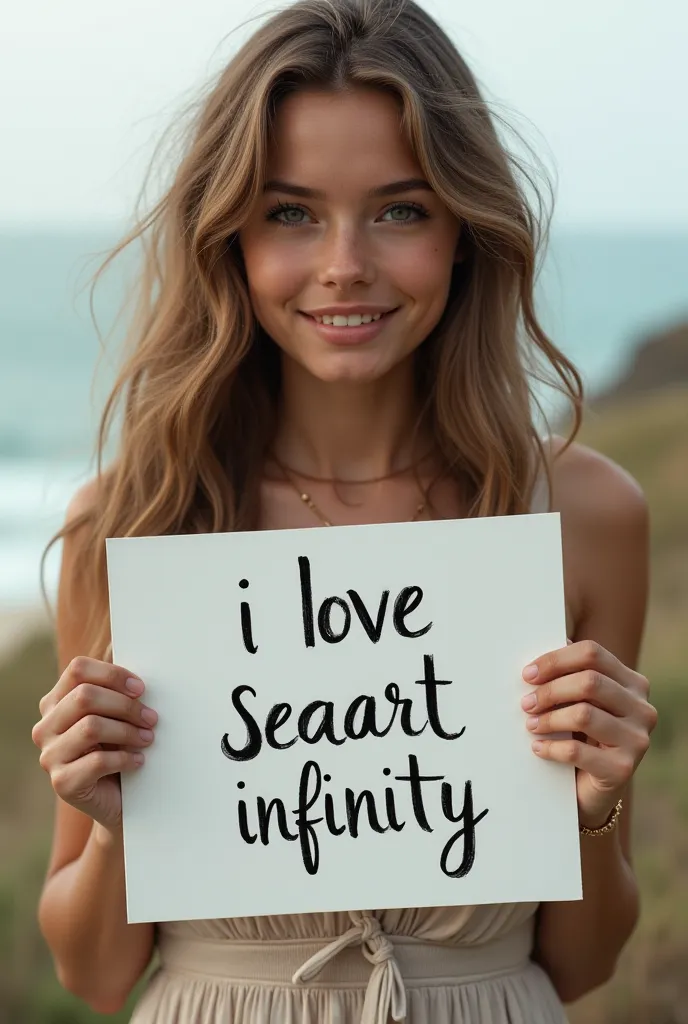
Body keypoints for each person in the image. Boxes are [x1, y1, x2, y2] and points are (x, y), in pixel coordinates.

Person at [31, 0, 657, 1020]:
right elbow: (94, 977)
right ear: (227, 235)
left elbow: (582, 966)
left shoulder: (580, 513)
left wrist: (591, 808)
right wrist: (111, 825)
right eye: (290, 212)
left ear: (464, 227)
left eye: (400, 209)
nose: (343, 264)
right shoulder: (138, 519)